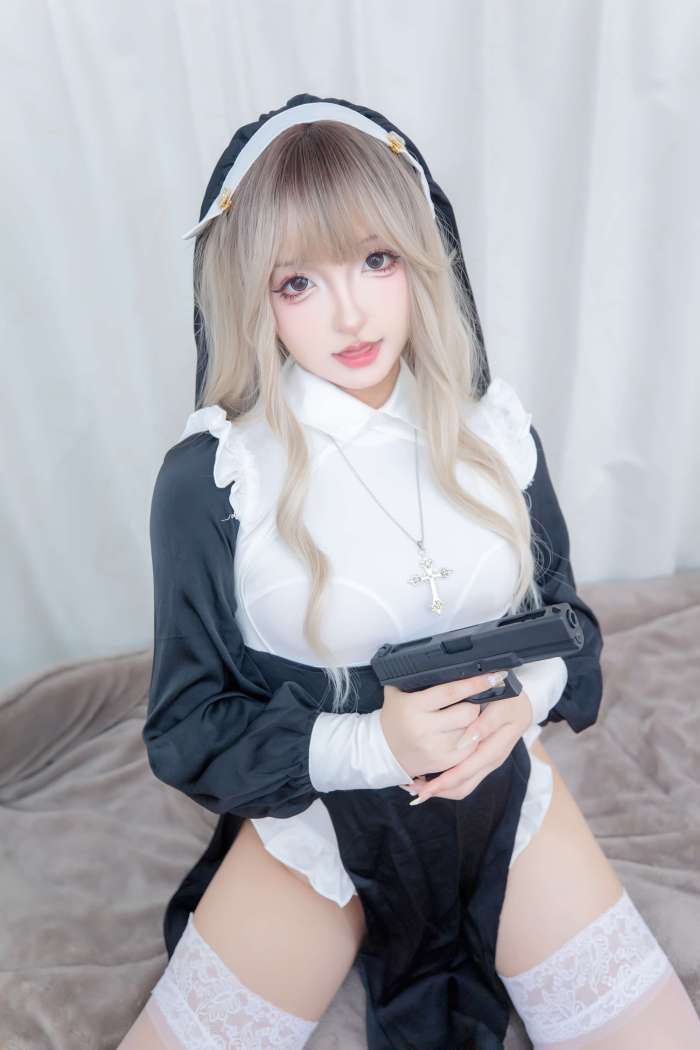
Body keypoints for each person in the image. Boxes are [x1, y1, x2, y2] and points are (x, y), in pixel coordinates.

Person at [118, 94, 700, 1049]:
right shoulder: (217, 478)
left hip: (500, 798)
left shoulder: (493, 430)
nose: (350, 312)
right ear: (251, 292)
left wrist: (524, 701)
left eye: (376, 260)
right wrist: (374, 748)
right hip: (320, 830)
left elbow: (571, 629)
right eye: (297, 281)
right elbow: (187, 728)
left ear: (424, 256)